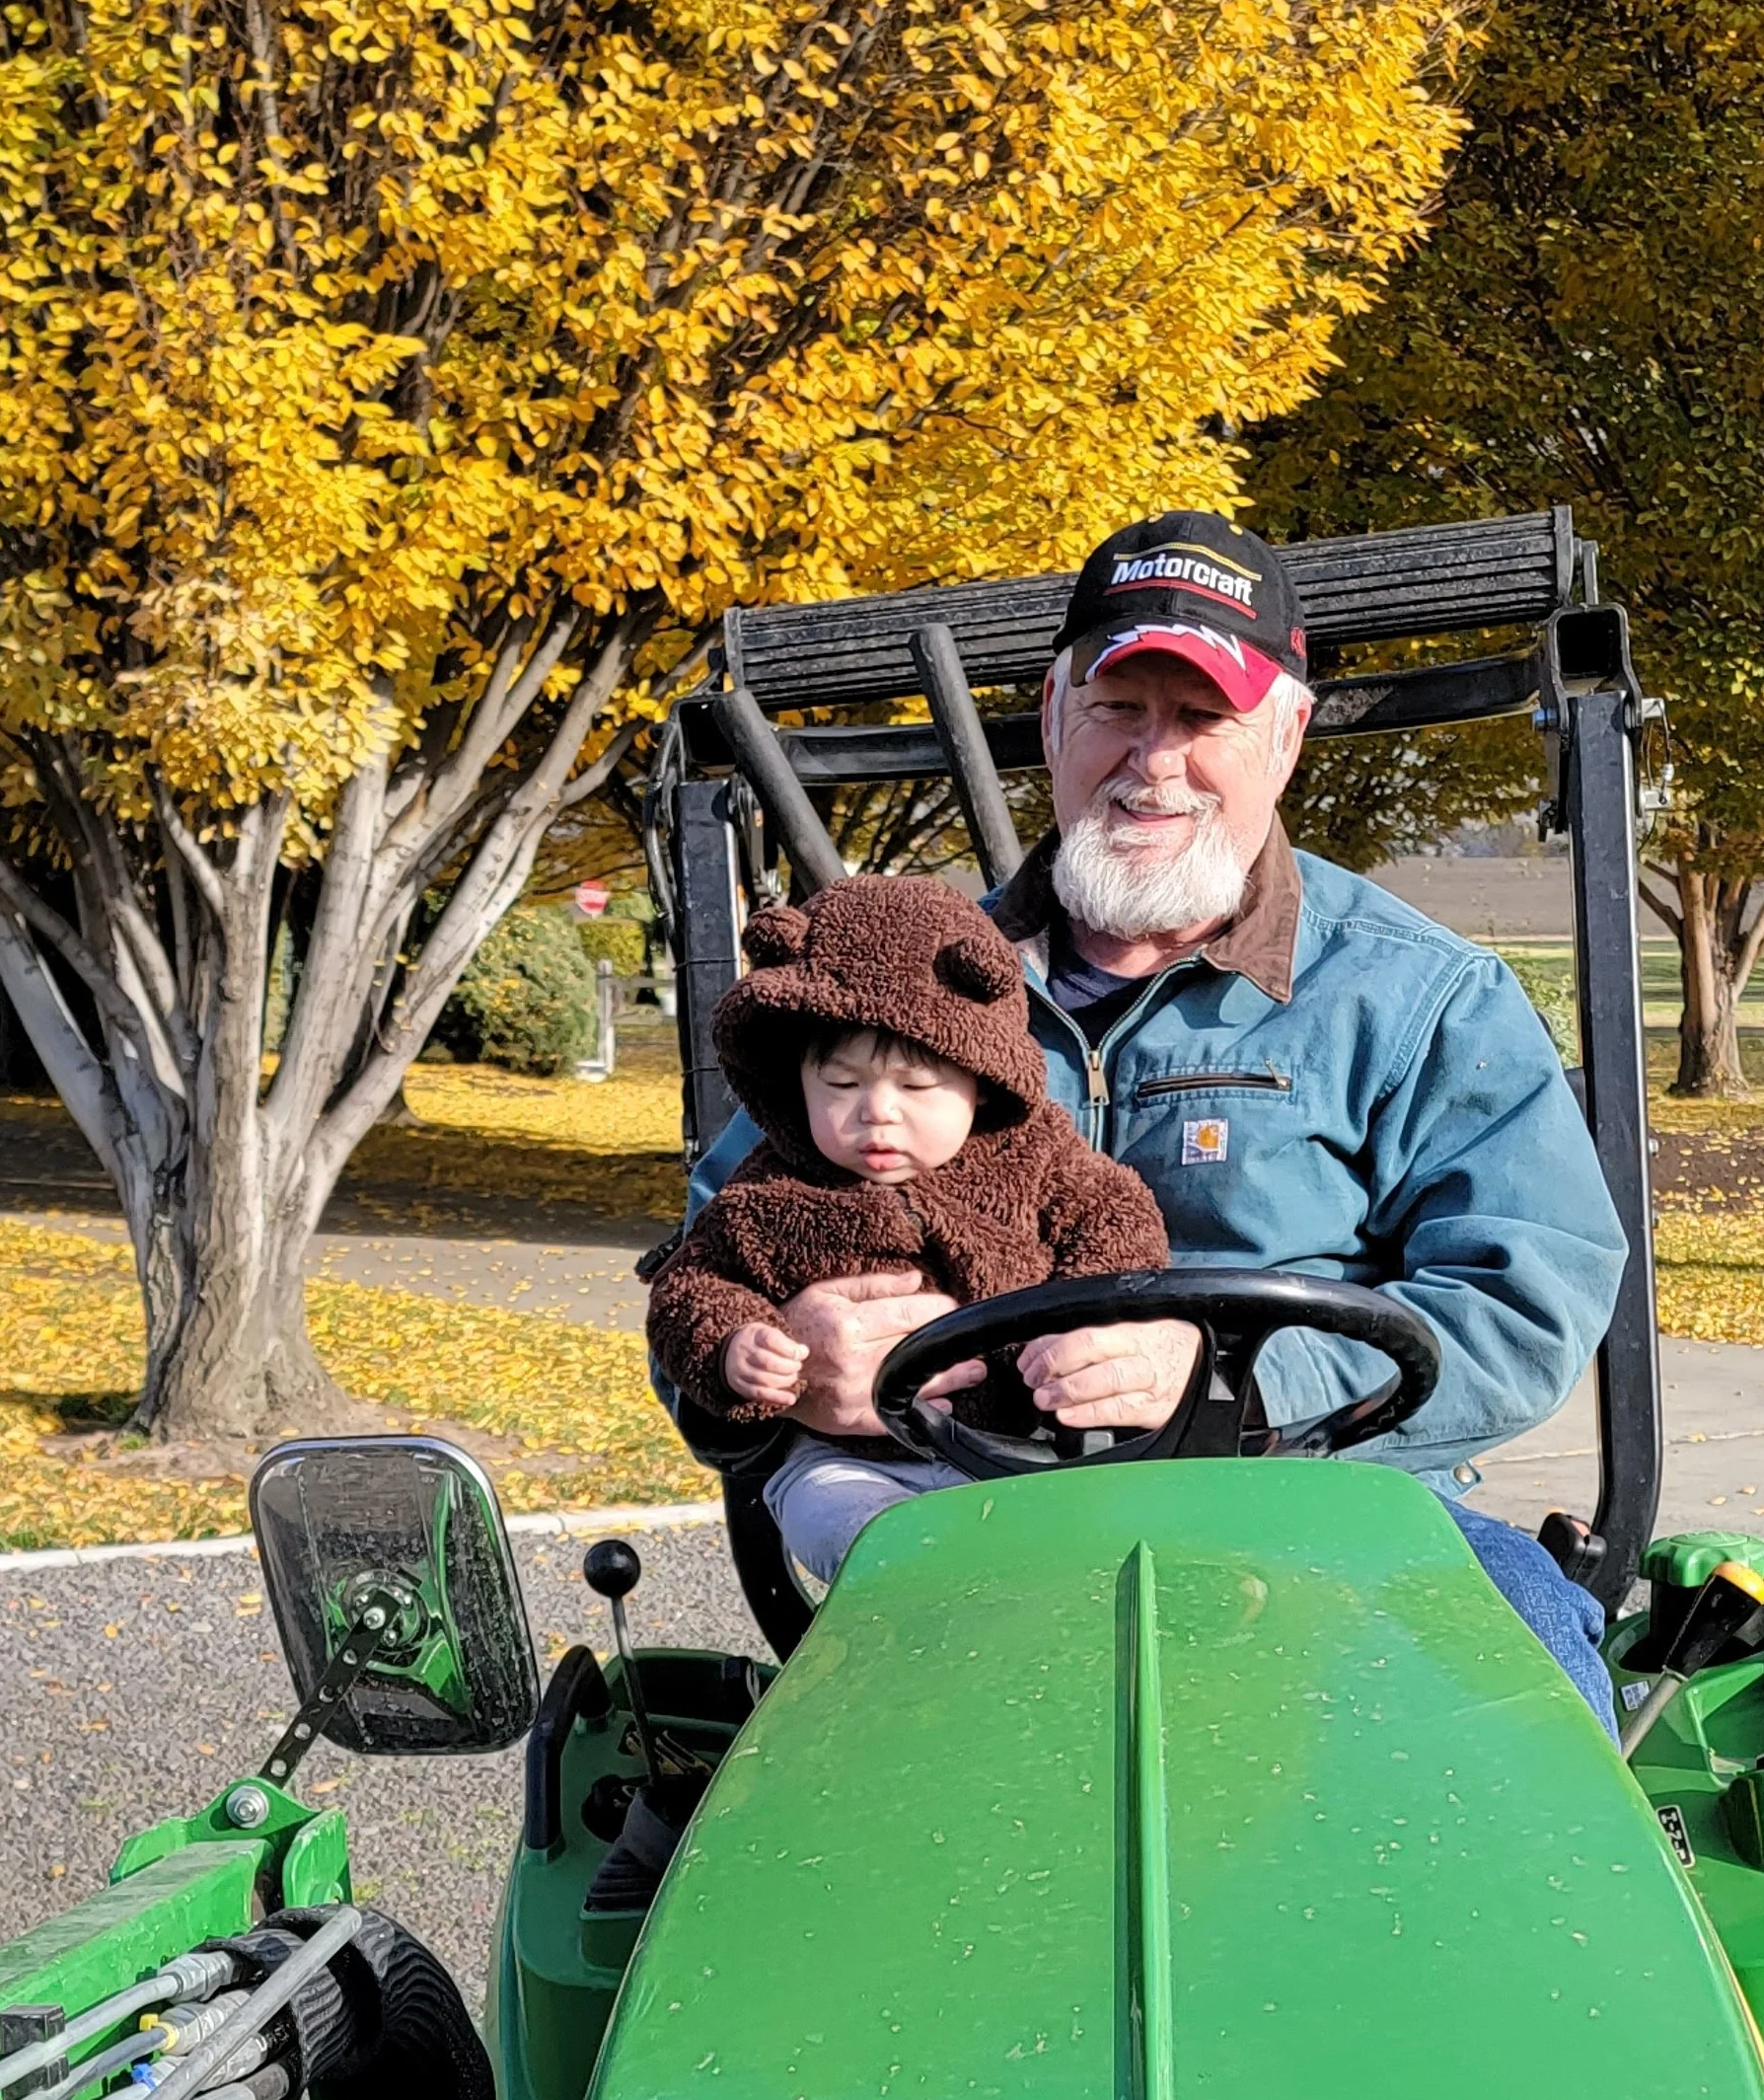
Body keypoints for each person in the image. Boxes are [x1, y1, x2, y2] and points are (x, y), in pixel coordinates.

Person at [661, 505, 1628, 1729]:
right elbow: (707, 1262)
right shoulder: (894, 979)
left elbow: (1525, 1298)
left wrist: (1241, 1384)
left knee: (1535, 1721)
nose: (1152, 759)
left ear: (1283, 736)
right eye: (1119, 710)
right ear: (1056, 717)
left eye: (1200, 718)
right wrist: (782, 1363)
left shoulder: (1416, 997)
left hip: (1327, 1514)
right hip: (955, 1520)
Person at [644, 872, 1167, 1597]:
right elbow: (691, 1287)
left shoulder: (1035, 1155)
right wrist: (737, 1350)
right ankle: (927, 1584)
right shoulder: (767, 1189)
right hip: (849, 1458)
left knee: (1103, 1538)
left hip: (1025, 1449)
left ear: (980, 1079)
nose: (876, 1114)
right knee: (850, 1524)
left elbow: (1117, 1216)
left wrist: (1095, 1312)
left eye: (916, 1089)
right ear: (796, 1082)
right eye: (842, 1086)